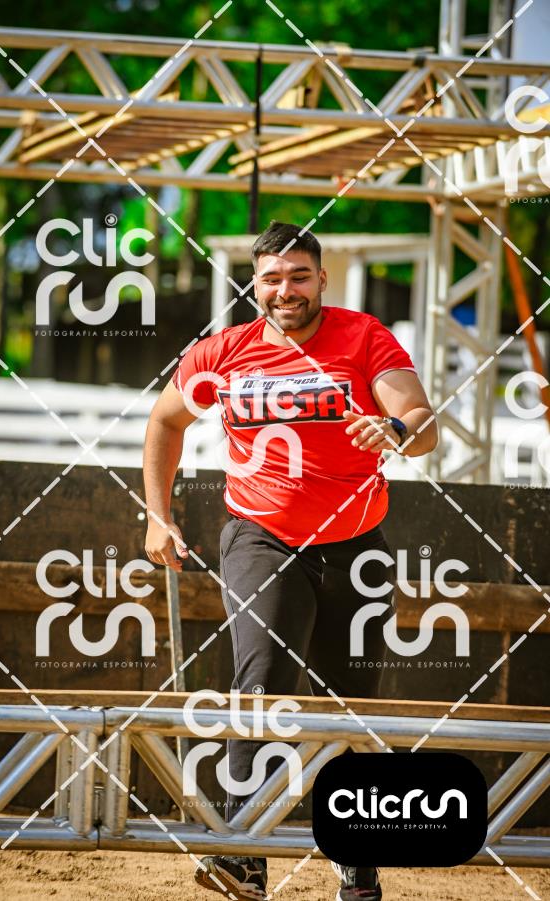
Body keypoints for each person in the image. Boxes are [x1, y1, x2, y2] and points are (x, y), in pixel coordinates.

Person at [143, 221, 438, 901]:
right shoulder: (223, 351)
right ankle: (245, 850)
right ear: (255, 284)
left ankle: (356, 859)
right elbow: (164, 421)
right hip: (261, 537)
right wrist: (158, 515)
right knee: (264, 677)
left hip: (355, 546)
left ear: (321, 279)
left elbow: (423, 421)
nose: (286, 290)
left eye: (299, 276)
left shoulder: (363, 337)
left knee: (352, 702)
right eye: (272, 278)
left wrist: (394, 428)